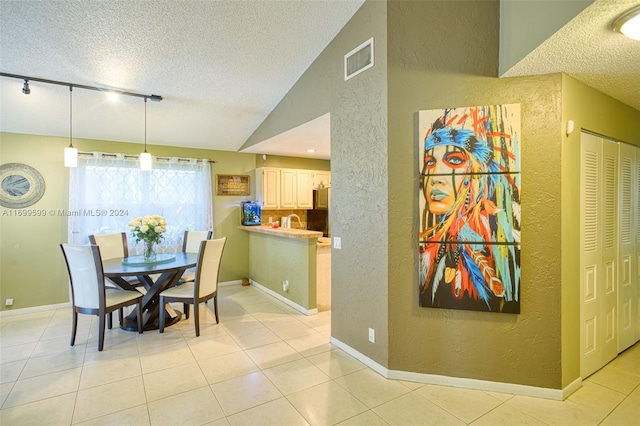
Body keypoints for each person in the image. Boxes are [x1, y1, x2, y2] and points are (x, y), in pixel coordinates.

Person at [419, 105, 521, 313]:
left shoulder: (501, 235)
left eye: (454, 160)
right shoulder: (434, 244)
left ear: (477, 174)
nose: (436, 177)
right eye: (430, 162)